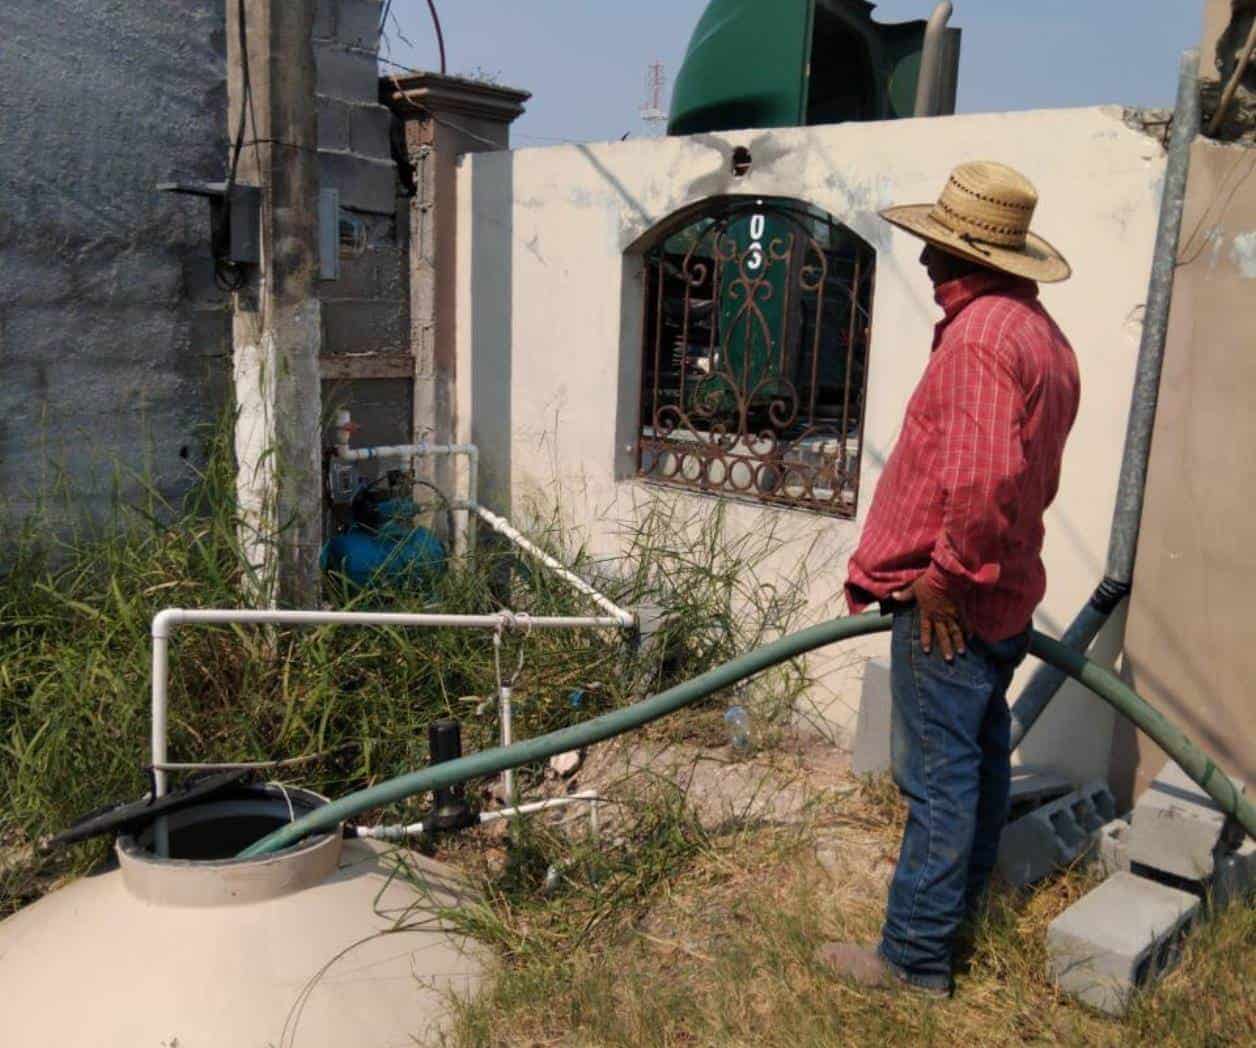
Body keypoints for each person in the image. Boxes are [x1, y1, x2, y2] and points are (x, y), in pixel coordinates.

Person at [819, 161, 1081, 996]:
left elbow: (982, 482)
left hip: (953, 607)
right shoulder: (1038, 333)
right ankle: (952, 921)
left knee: (936, 781)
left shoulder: (978, 341)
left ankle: (915, 959)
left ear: (975, 257)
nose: (928, 262)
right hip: (1002, 597)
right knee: (978, 765)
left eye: (940, 248)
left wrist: (942, 579)